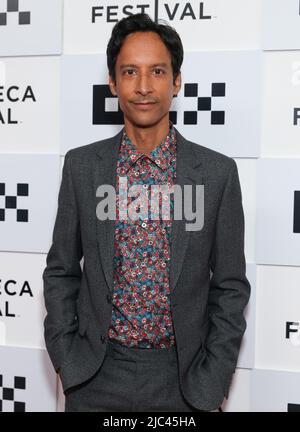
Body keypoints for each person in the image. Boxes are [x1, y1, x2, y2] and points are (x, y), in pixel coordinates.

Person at [43, 13, 251, 412]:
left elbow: (230, 287)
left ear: (176, 81)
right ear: (112, 83)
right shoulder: (83, 167)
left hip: (184, 382)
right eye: (129, 72)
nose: (142, 87)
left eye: (157, 71)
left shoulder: (216, 174)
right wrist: (69, 361)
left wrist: (211, 382)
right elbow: (61, 271)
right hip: (95, 378)